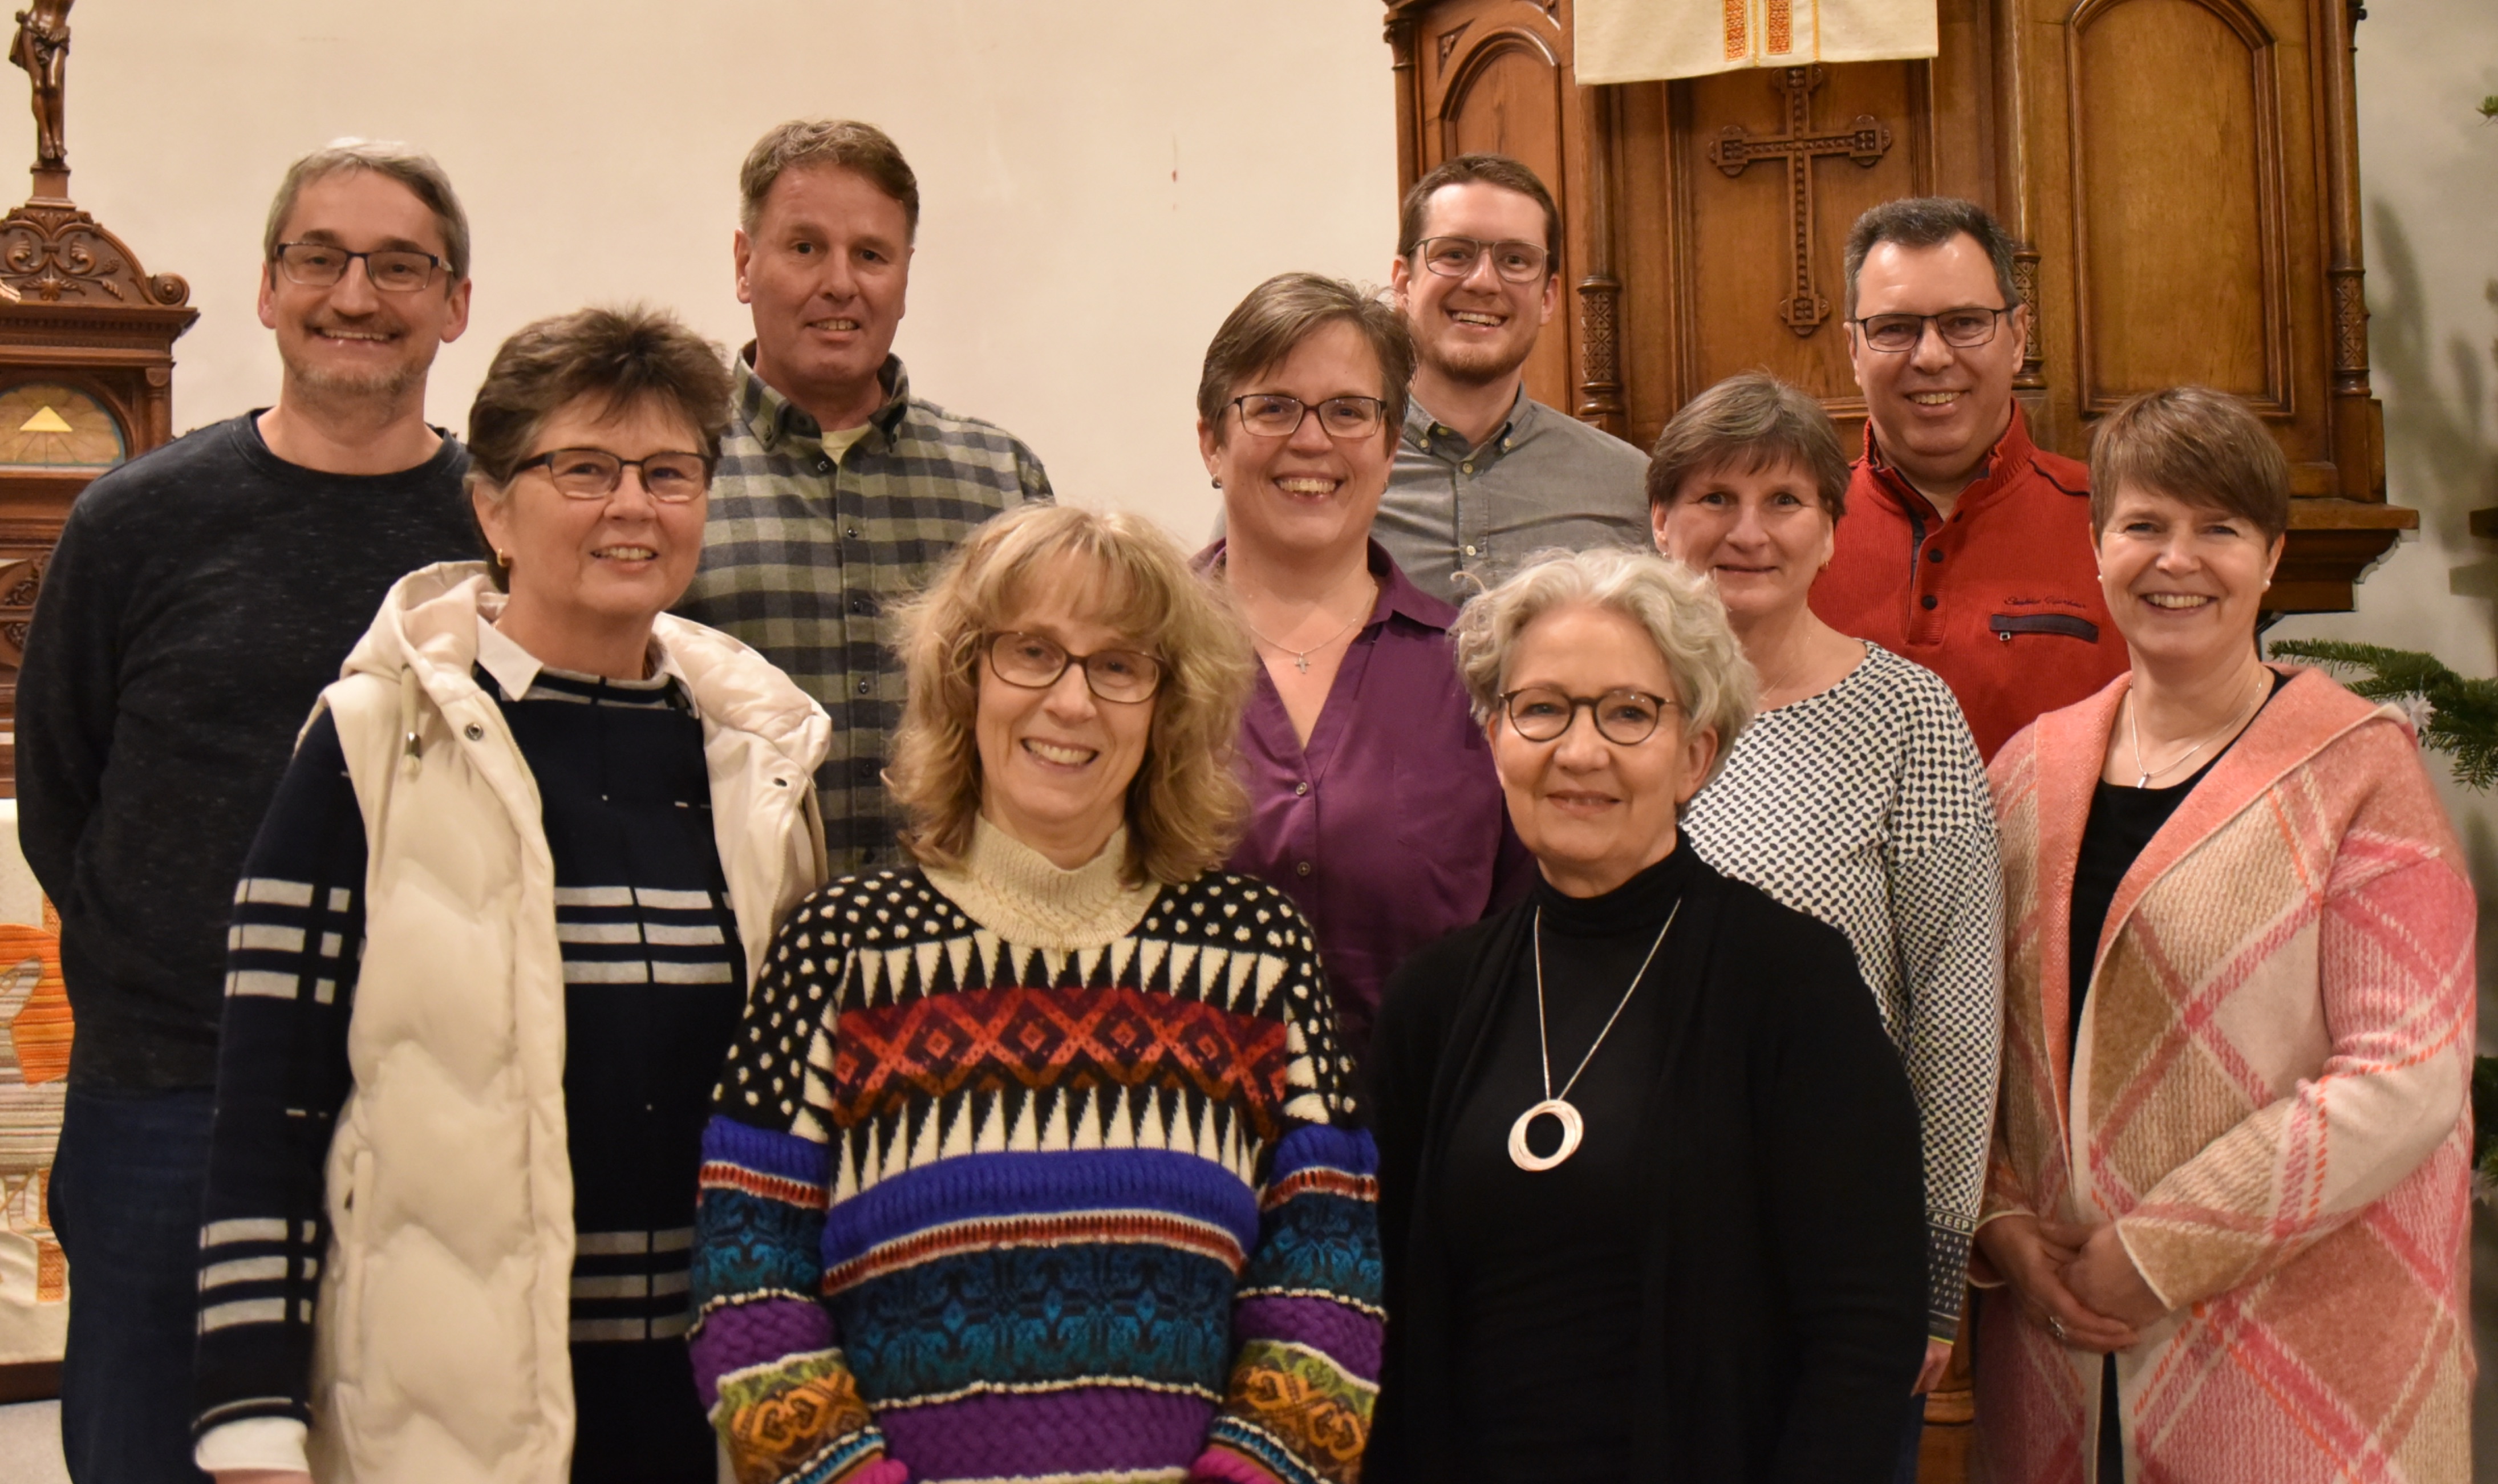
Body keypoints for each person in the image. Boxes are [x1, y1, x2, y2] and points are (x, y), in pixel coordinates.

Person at [184, 306, 830, 1484]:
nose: (632, 506)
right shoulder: (377, 740)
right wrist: (249, 1410)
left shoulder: (760, 761)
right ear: (492, 507)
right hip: (454, 1413)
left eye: (670, 472)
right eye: (583, 468)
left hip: (713, 1407)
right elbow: (269, 1103)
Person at [688, 502, 1380, 1484]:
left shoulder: (1255, 954)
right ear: (965, 678)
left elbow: (1330, 1280)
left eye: (1119, 665)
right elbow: (746, 1282)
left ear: (1168, 705)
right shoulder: (839, 949)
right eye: (1032, 652)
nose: (1072, 701)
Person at [14, 138, 478, 1484]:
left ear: (453, 303)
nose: (357, 293)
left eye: (400, 264)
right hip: (171, 1089)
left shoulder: (502, 530)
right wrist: (157, 973)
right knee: (152, 1447)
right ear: (266, 288)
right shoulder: (134, 521)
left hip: (426, 1083)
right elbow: (63, 788)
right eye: (321, 258)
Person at [1972, 387, 2473, 1483]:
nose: (2177, 560)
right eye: (2145, 524)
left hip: (2296, 1363)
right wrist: (2004, 1218)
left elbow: (2408, 1076)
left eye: (2220, 529)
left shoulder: (2361, 769)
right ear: (2096, 544)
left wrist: (2156, 1254)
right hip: (2059, 1360)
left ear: (2273, 553)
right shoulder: (2028, 770)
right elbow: (1970, 1047)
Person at [1368, 546, 1927, 1483]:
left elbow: (1864, 1331)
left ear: (1694, 753)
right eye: (1542, 708)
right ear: (1495, 736)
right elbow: (1384, 1315)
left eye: (1629, 713)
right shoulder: (1435, 996)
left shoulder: (1791, 981)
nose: (1579, 752)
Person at [1654, 372, 2001, 1474]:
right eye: (1714, 497)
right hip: (1629, 1234)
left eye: (1786, 500)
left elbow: (1954, 1006)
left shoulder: (1907, 714)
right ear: (1659, 519)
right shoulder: (1606, 707)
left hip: (1833, 1248)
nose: (1747, 531)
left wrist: (1934, 1275)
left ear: (1831, 532)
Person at [676, 118, 1053, 875]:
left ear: (905, 275)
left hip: (953, 958)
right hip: (730, 946)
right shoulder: (667, 471)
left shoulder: (1002, 482)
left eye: (871, 255)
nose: (840, 283)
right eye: (806, 247)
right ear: (746, 263)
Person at [1195, 270, 1530, 1062]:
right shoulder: (1127, 659)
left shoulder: (1481, 676)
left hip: (1424, 1154)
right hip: (1181, 1154)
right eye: (1273, 406)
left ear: (1389, 448)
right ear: (1212, 440)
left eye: (1349, 411)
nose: (1312, 440)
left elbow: (1525, 950)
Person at [1810, 197, 2127, 761]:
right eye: (1895, 328)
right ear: (1853, 350)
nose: (1931, 357)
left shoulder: (2118, 526)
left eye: (1965, 323)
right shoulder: (1786, 538)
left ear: (2019, 336)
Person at [1375, 152, 1649, 606]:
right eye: (1455, 254)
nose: (1484, 282)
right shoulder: (1328, 469)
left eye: (1516, 260)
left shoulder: (1627, 487)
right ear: (1403, 283)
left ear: (1548, 297)